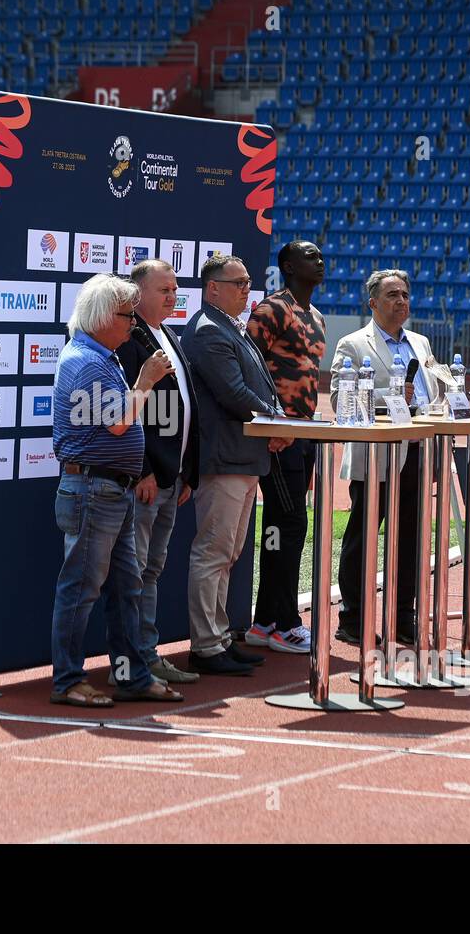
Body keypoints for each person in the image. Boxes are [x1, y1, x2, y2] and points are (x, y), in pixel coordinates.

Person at [49, 272, 184, 708]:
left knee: (126, 587)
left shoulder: (100, 356)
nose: (132, 325)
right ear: (105, 316)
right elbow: (118, 421)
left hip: (111, 490)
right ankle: (68, 681)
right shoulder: (88, 362)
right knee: (82, 588)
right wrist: (144, 381)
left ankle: (131, 675)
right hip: (94, 489)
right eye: (127, 316)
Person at [181, 254, 290, 675]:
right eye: (239, 282)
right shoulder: (208, 331)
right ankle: (206, 645)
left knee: (227, 553)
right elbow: (234, 392)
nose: (248, 289)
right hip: (225, 457)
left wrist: (274, 417)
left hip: (243, 457)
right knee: (214, 552)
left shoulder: (230, 327)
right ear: (213, 289)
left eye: (248, 282)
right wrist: (275, 421)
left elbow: (256, 386)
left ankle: (219, 637)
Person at [330, 268, 444, 646]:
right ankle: (353, 619)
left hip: (417, 451)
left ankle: (402, 619)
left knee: (411, 540)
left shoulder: (421, 343)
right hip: (376, 454)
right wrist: (391, 395)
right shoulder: (353, 344)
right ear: (373, 303)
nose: (401, 302)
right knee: (363, 538)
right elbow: (338, 399)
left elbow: (432, 392)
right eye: (392, 295)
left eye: (405, 295)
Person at [117, 258, 201, 685]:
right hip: (147, 480)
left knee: (152, 570)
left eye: (174, 290)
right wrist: (143, 471)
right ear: (138, 294)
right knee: (136, 573)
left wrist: (187, 471)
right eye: (163, 290)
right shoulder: (129, 340)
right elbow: (129, 413)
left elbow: (185, 407)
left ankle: (147, 656)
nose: (172, 296)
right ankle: (136, 660)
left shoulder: (168, 334)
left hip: (174, 478)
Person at [244, 240, 328, 655]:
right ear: (289, 266)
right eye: (310, 256)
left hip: (304, 433)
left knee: (284, 524)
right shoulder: (273, 309)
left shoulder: (318, 317)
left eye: (320, 255)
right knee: (289, 523)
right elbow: (248, 364)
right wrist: (271, 420)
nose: (320, 260)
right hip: (277, 436)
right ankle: (285, 623)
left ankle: (264, 621)